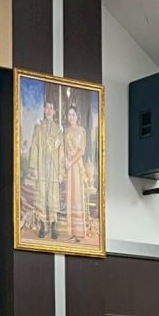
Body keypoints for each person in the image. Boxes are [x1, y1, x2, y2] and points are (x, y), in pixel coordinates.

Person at [27, 97, 62, 240]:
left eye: (51, 108)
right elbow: (34, 147)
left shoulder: (58, 130)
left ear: (54, 111)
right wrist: (34, 167)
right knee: (41, 195)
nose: (48, 110)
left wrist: (61, 172)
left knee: (53, 195)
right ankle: (42, 225)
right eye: (47, 107)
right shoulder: (38, 127)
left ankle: (53, 225)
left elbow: (61, 152)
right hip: (41, 166)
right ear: (44, 109)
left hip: (53, 167)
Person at [63, 104, 90, 243]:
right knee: (70, 196)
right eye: (69, 115)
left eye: (73, 114)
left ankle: (79, 232)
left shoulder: (82, 131)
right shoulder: (66, 132)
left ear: (77, 116)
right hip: (69, 168)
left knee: (77, 197)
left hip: (77, 166)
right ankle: (72, 231)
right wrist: (65, 161)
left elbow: (82, 151)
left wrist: (71, 161)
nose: (71, 117)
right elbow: (63, 149)